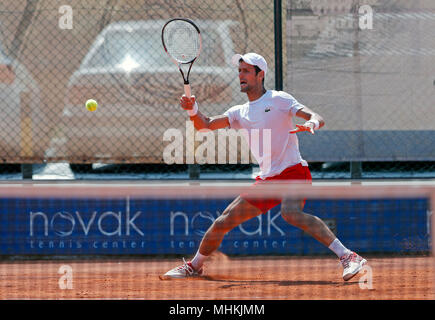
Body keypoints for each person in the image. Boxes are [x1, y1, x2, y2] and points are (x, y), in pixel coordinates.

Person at [162, 53, 367, 281]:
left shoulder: (279, 99)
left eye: (246, 71)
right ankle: (195, 265)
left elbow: (316, 116)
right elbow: (206, 125)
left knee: (290, 213)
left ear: (260, 75)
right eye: (239, 71)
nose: (241, 75)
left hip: (293, 171)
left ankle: (349, 256)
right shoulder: (239, 112)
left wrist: (310, 123)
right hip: (267, 179)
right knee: (223, 222)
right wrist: (192, 110)